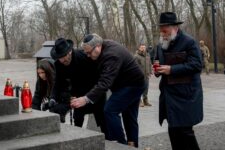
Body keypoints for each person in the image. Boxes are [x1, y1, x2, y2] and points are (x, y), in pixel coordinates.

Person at [72, 34, 145, 148]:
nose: (87, 55)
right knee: (129, 116)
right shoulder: (103, 47)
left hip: (133, 85)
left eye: (89, 52)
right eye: (86, 53)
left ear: (97, 46)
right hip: (131, 84)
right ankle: (132, 145)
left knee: (109, 110)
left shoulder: (111, 55)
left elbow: (105, 83)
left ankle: (121, 145)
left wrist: (86, 99)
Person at [154, 12, 203, 150]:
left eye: (165, 30)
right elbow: (158, 61)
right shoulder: (161, 44)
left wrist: (172, 69)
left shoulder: (189, 42)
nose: (163, 34)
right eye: (161, 30)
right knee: (173, 131)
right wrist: (157, 70)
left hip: (186, 96)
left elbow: (197, 65)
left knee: (186, 132)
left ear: (175, 27)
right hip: (169, 97)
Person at [50, 37, 106, 132]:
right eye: (59, 58)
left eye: (63, 56)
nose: (62, 60)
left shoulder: (84, 57)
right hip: (77, 95)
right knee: (78, 121)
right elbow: (58, 83)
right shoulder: (58, 64)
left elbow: (98, 76)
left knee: (103, 121)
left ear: (69, 52)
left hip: (94, 92)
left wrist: (88, 97)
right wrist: (53, 97)